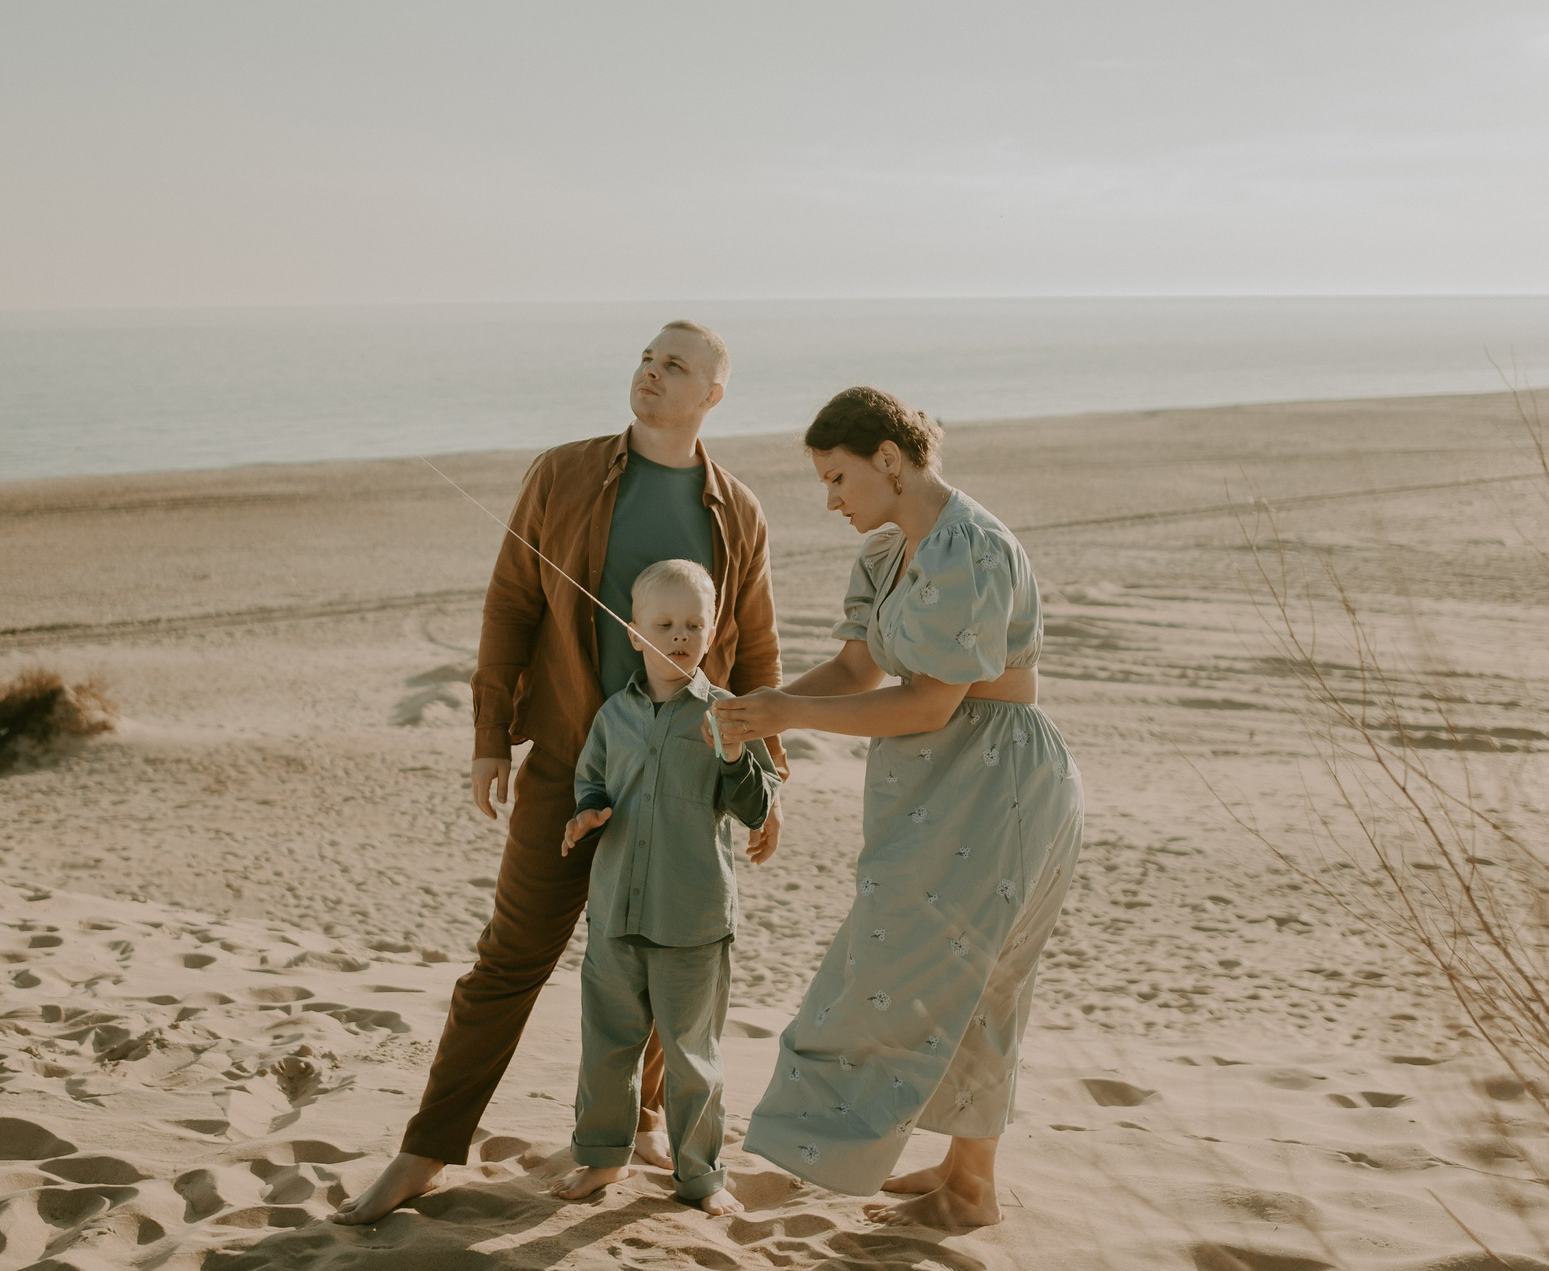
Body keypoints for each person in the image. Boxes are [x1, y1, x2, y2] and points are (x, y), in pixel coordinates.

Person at [334, 321, 786, 1224]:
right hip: (568, 765)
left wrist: (769, 772)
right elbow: (510, 604)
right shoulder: (563, 473)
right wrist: (489, 736)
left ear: (712, 394)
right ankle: (426, 1150)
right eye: (647, 358)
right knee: (508, 961)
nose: (650, 372)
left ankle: (645, 1122)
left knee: (668, 954)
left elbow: (756, 645)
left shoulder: (737, 510)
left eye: (675, 366)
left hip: (686, 777)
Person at [711, 386, 1083, 1231]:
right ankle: (965, 1176)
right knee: (964, 980)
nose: (831, 500)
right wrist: (762, 709)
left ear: (889, 458)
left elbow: (929, 703)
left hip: (998, 780)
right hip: (931, 787)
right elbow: (856, 673)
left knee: (907, 972)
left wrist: (789, 716)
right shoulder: (887, 554)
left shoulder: (971, 547)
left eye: (838, 478)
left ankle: (932, 1179)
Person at [548, 559, 780, 1216]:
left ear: (712, 632)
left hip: (693, 918)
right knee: (607, 1047)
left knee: (692, 1058)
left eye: (693, 625)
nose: (679, 635)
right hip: (615, 911)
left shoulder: (727, 712)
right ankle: (602, 1158)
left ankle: (702, 1177)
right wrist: (587, 811)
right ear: (634, 632)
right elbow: (592, 779)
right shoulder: (614, 715)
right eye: (664, 624)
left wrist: (733, 756)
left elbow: (758, 806)